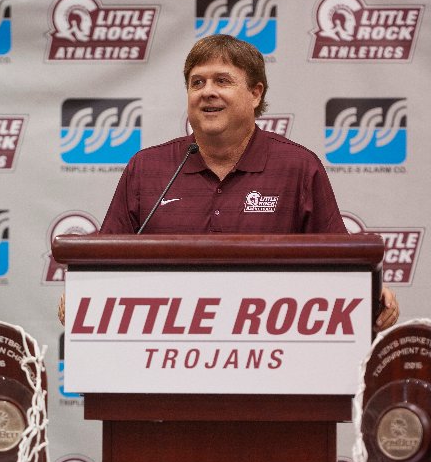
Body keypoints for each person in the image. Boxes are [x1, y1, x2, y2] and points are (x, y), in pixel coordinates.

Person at [59, 34, 399, 330]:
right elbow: (103, 260)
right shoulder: (148, 168)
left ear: (255, 93)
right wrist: (82, 293)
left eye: (222, 81)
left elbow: (340, 263)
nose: (207, 92)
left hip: (273, 361)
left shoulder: (297, 167)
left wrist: (367, 292)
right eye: (197, 82)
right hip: (162, 361)